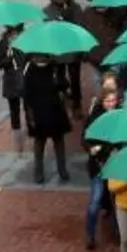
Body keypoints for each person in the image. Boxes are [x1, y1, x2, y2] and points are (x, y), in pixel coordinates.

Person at [21, 56, 73, 184]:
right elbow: (27, 95)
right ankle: (38, 171)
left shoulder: (55, 67)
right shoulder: (30, 69)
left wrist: (61, 85)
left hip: (55, 108)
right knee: (40, 142)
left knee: (58, 140)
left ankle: (62, 169)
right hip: (38, 110)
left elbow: (64, 85)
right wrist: (29, 115)